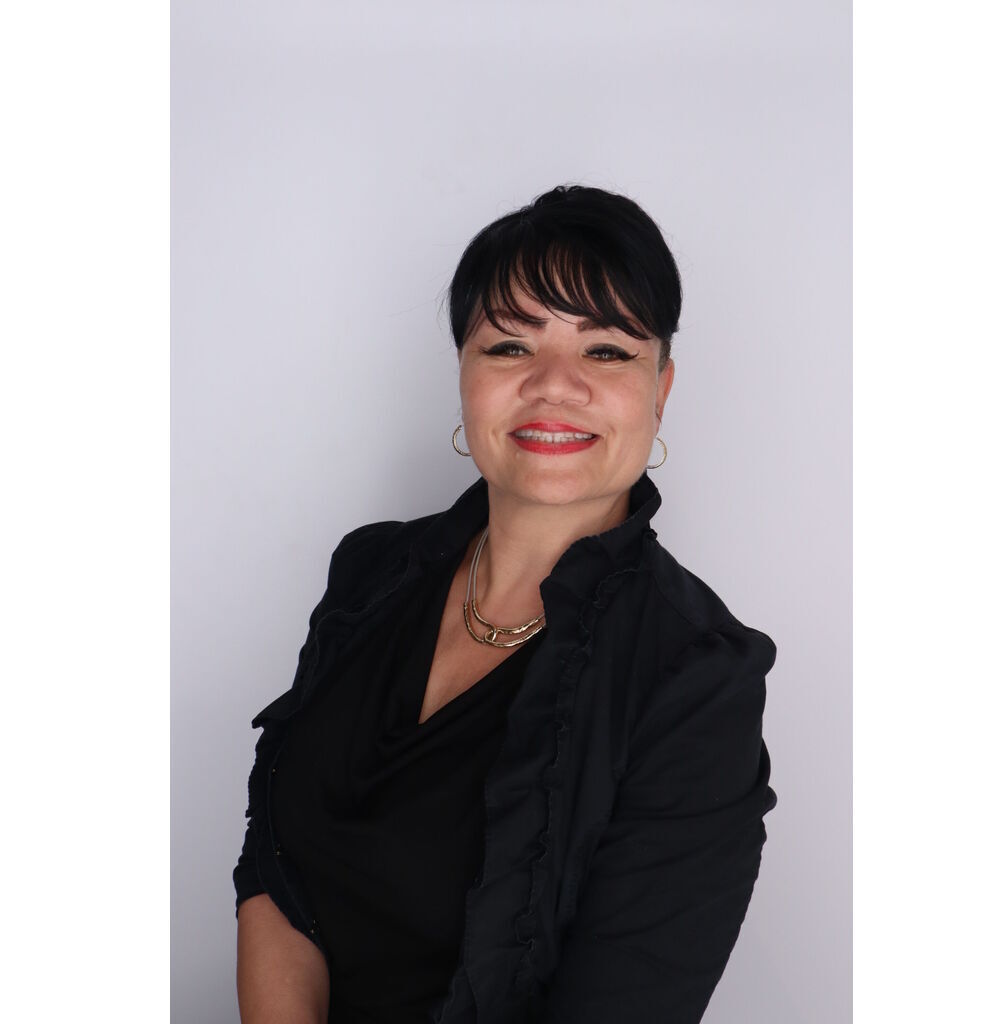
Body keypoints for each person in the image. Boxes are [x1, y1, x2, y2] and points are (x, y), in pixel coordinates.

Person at [233, 184, 777, 1024]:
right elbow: (275, 865)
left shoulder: (697, 678)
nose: (553, 385)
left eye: (607, 351)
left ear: (661, 389)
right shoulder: (372, 572)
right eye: (509, 346)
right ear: (464, 374)